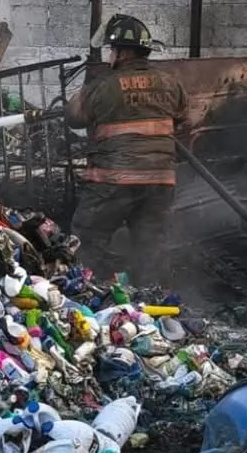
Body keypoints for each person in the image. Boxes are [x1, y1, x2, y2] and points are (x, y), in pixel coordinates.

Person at [66, 14, 191, 285]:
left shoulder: (104, 85)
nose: (110, 55)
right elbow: (184, 119)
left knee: (87, 235)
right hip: (160, 179)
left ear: (122, 52)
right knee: (152, 245)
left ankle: (88, 290)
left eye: (112, 50)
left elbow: (74, 116)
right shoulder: (170, 83)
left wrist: (91, 83)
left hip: (113, 179)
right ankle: (152, 297)